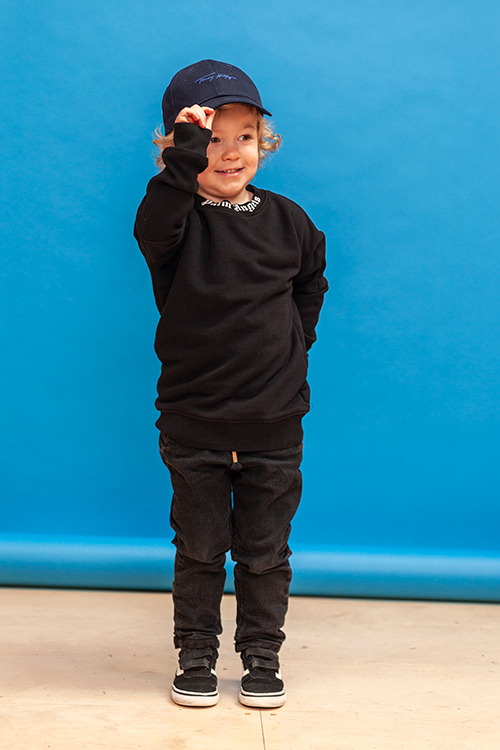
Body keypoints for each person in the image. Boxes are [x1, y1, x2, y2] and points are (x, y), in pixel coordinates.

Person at [134, 59, 328, 709]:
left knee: (265, 551)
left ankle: (261, 655)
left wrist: (296, 344)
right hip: (195, 424)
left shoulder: (289, 220)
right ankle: (195, 654)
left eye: (244, 136)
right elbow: (154, 223)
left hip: (274, 421)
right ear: (179, 147)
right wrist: (184, 153)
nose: (228, 152)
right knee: (199, 549)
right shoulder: (176, 220)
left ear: (262, 143)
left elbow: (311, 281)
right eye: (211, 138)